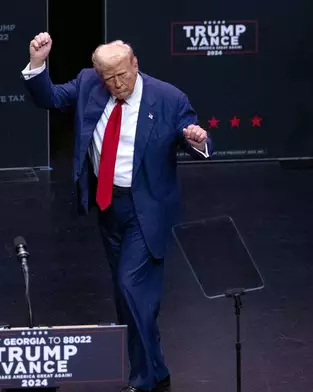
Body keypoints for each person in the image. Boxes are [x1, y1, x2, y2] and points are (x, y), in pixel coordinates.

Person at [21, 32, 213, 392]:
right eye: (108, 78)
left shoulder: (168, 98)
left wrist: (197, 140)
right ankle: (156, 368)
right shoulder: (88, 84)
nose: (117, 83)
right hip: (108, 206)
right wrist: (37, 63)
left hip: (149, 208)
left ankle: (142, 380)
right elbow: (48, 97)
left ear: (135, 64)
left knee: (129, 285)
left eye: (123, 75)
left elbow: (197, 139)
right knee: (129, 297)